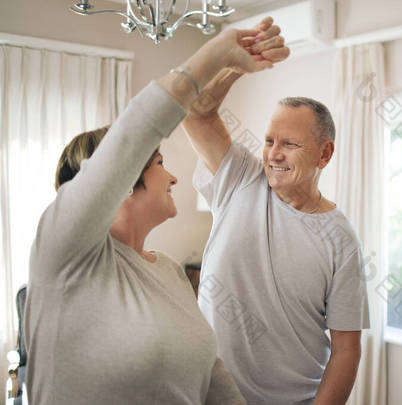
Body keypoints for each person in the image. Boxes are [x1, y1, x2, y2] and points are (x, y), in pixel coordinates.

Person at [24, 20, 288, 405]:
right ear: (126, 176)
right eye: (160, 162)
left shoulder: (167, 271)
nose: (175, 177)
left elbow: (212, 378)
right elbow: (135, 133)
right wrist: (215, 55)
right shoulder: (63, 253)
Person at [185, 19, 370, 404]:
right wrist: (236, 66)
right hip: (207, 395)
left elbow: (346, 349)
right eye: (270, 140)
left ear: (325, 153)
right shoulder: (239, 178)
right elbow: (197, 114)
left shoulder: (340, 240)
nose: (273, 154)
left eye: (290, 144)